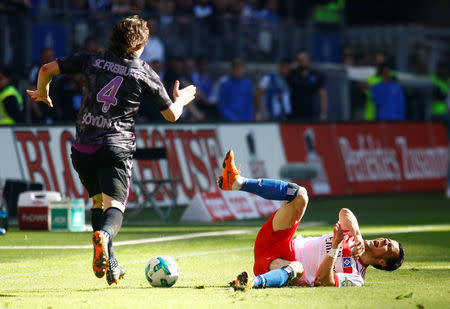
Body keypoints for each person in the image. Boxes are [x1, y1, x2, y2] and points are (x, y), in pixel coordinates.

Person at [27, 15, 196, 285]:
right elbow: (171, 116)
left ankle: (110, 265)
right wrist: (182, 100)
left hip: (82, 149)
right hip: (115, 148)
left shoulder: (91, 59)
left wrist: (43, 93)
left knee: (98, 202)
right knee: (115, 208)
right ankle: (104, 238)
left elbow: (46, 69)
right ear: (141, 45)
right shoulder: (144, 72)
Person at [217, 150, 404, 289]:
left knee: (297, 267)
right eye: (388, 240)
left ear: (382, 263)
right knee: (301, 195)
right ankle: (236, 182)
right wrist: (355, 235)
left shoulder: (356, 277)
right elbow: (345, 212)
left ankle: (251, 282)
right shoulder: (355, 239)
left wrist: (336, 247)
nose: (386, 241)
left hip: (278, 266)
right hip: (278, 241)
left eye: (389, 247)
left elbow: (323, 281)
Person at [287, 50, 328, 122]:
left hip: (311, 112)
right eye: (300, 60)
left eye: (304, 59)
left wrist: (323, 113)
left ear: (308, 59)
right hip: (294, 112)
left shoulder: (316, 75)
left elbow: (323, 94)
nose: (302, 61)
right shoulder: (291, 75)